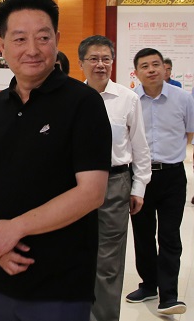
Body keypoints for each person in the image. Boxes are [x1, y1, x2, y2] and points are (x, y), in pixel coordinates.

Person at [0, 0, 111, 321]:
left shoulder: (83, 103)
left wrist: (13, 229)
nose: (32, 49)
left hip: (61, 282)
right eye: (19, 39)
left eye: (43, 38)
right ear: (1, 45)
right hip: (1, 272)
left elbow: (92, 192)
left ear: (56, 39)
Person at [77, 36, 151, 321]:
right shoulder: (71, 98)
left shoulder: (127, 99)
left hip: (115, 184)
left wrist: (139, 187)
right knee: (76, 254)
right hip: (75, 185)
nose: (100, 64)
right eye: (94, 59)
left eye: (106, 59)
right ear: (82, 63)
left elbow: (140, 146)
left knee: (108, 260)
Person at [125, 48, 193, 315]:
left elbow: (189, 132)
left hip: (172, 176)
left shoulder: (183, 98)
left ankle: (169, 295)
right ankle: (148, 285)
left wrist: (171, 155)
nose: (151, 70)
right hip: (140, 177)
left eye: (156, 64)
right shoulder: (131, 100)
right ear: (136, 72)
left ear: (165, 68)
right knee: (142, 234)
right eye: (145, 66)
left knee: (169, 235)